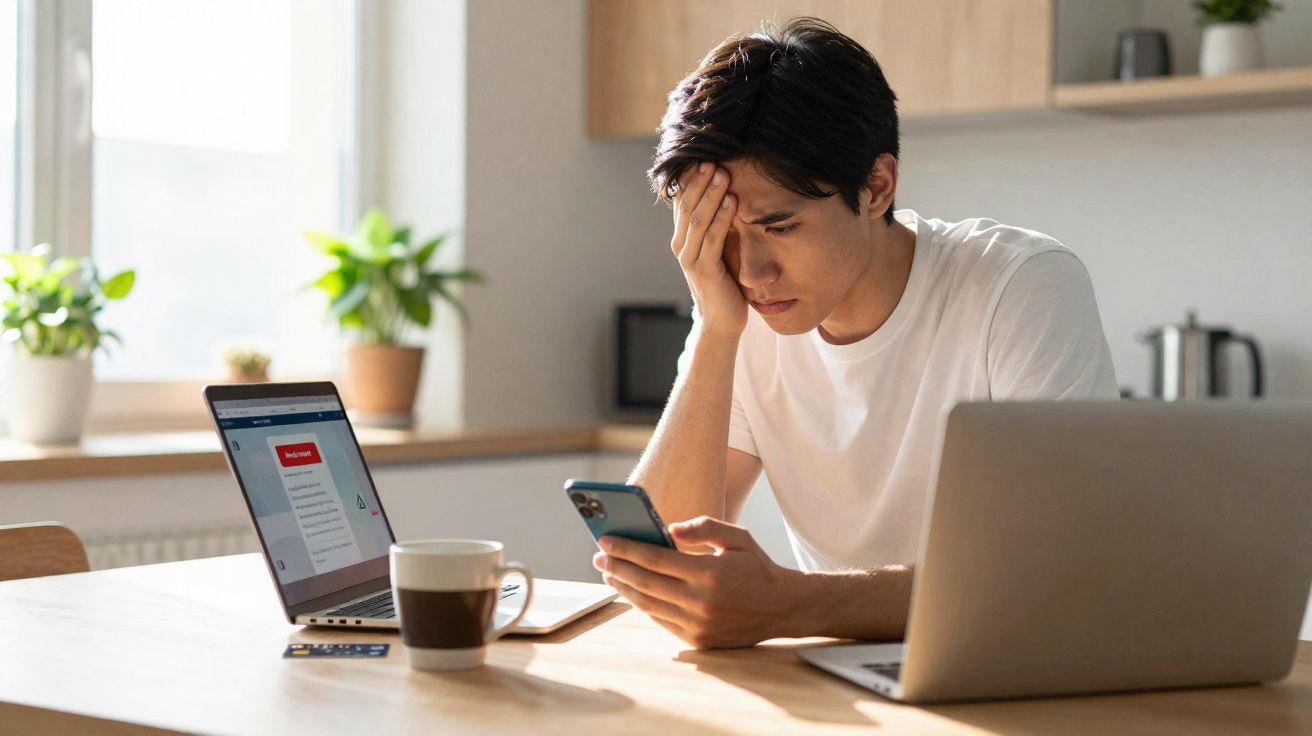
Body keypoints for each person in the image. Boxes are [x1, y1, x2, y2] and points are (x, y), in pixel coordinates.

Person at [592, 18, 1118, 648]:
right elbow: (663, 564)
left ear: (876, 187)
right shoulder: (739, 314)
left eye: (780, 227)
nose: (752, 272)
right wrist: (712, 330)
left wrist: (790, 606)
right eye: (721, 236)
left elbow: (1055, 571)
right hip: (841, 681)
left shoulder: (1018, 286)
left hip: (1007, 663)